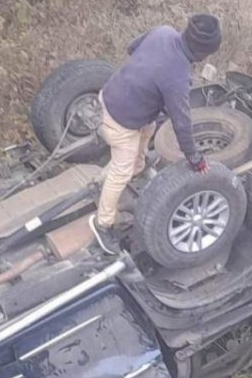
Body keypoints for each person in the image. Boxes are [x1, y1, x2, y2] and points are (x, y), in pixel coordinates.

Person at [88, 15, 222, 254]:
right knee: (121, 171)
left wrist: (147, 80)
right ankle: (103, 224)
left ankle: (132, 169)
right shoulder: (178, 75)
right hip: (120, 122)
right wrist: (195, 158)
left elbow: (132, 48)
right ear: (203, 52)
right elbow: (181, 123)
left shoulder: (163, 32)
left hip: (110, 95)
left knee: (148, 131)